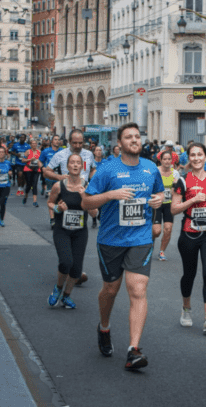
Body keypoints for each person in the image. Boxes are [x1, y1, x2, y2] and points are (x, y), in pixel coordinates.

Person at [81, 123, 165, 370]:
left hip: (140, 238)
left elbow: (160, 195)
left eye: (137, 136)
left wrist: (159, 202)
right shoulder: (107, 170)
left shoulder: (151, 169)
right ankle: (104, 327)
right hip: (111, 240)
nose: (134, 140)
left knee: (137, 288)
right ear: (119, 143)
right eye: (129, 137)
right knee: (110, 289)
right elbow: (86, 202)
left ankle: (133, 349)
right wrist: (111, 195)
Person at [171, 142, 206, 333]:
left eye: (200, 155)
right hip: (189, 233)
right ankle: (186, 309)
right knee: (189, 274)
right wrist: (192, 200)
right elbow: (174, 209)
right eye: (193, 155)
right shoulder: (182, 181)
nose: (197, 158)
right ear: (188, 158)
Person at [46, 152, 98, 310]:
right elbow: (49, 203)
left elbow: (95, 213)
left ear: (82, 166)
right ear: (67, 166)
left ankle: (66, 296)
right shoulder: (59, 185)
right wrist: (57, 208)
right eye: (72, 162)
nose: (75, 165)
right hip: (62, 230)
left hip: (80, 232)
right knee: (66, 261)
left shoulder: (87, 186)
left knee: (76, 269)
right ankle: (58, 288)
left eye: (78, 163)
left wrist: (85, 199)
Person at [152, 149, 181, 262]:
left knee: (168, 229)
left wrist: (175, 185)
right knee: (156, 231)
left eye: (169, 159)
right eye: (165, 159)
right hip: (158, 204)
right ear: (160, 160)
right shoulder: (156, 171)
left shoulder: (175, 173)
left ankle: (161, 251)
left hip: (169, 204)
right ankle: (151, 243)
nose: (167, 161)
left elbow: (177, 192)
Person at [22, 138, 43, 207]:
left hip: (36, 169)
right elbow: (23, 160)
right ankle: (25, 196)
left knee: (34, 185)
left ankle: (35, 201)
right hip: (28, 169)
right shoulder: (28, 151)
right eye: (32, 144)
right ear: (30, 145)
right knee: (28, 185)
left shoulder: (39, 152)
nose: (34, 145)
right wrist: (30, 159)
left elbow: (42, 160)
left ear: (37, 144)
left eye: (35, 143)